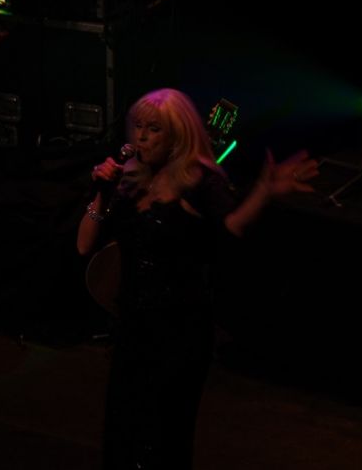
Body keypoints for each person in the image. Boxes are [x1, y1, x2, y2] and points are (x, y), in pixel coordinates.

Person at [76, 88, 319, 469]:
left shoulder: (199, 181)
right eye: (137, 126)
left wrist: (263, 192)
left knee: (162, 434)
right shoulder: (129, 180)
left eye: (153, 129)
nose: (141, 137)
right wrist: (102, 193)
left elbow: (230, 226)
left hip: (178, 330)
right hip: (132, 325)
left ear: (177, 135)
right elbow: (84, 245)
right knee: (123, 429)